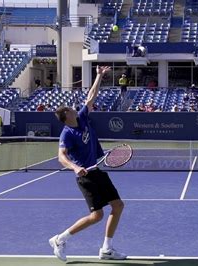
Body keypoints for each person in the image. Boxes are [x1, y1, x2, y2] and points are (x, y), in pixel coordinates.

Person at [50, 65, 126, 262]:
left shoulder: (82, 118)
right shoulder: (67, 133)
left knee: (118, 206)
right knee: (97, 216)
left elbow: (91, 96)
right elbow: (61, 157)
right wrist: (75, 167)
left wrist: (99, 76)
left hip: (97, 172)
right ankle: (60, 239)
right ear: (67, 114)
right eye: (70, 108)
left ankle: (107, 249)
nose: (74, 108)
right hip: (85, 178)